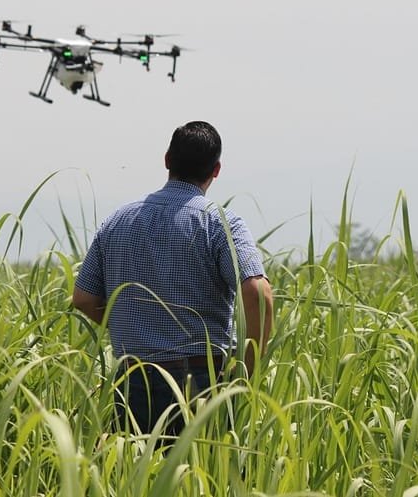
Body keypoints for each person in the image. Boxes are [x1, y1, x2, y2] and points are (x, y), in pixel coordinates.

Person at [71, 120, 274, 439]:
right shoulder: (221, 223)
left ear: (167, 160)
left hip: (133, 376)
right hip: (202, 379)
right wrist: (245, 371)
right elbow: (258, 293)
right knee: (201, 478)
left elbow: (83, 299)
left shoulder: (117, 221)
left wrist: (133, 327)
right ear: (216, 170)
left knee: (133, 478)